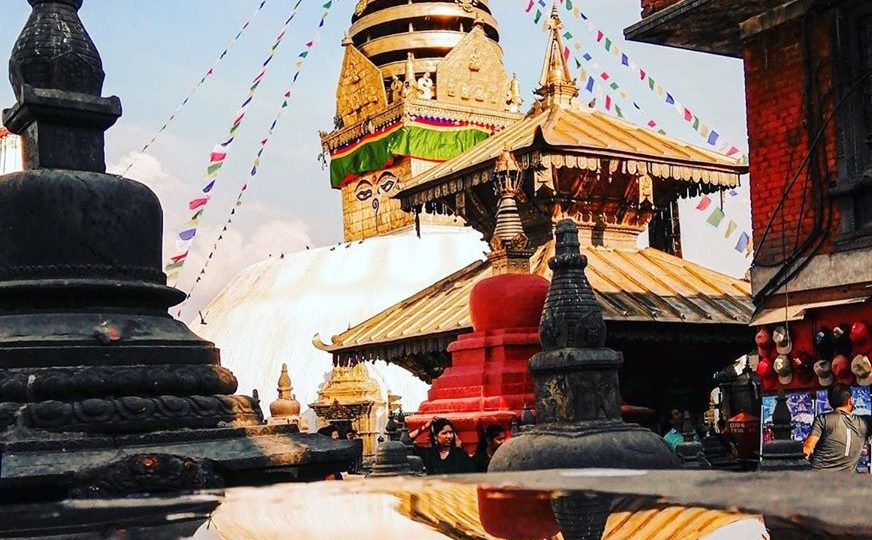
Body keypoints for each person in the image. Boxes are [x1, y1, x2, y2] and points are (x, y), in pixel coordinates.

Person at [803, 383, 872, 471]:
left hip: (817, 478)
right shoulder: (865, 423)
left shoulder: (823, 419)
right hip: (845, 481)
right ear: (851, 400)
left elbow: (807, 448)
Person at [409, 417, 475, 475]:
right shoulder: (429, 454)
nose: (449, 436)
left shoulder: (460, 454)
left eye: (451, 432)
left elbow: (471, 476)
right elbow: (404, 443)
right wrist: (424, 427)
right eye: (444, 433)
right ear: (435, 436)